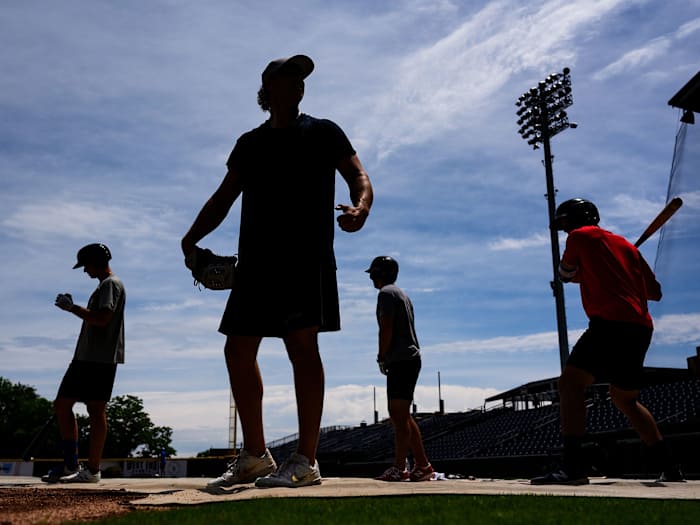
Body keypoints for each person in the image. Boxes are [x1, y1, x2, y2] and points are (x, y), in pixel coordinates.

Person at [181, 54, 373, 489]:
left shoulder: (323, 131)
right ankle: (256, 455)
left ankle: (306, 459)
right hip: (257, 260)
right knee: (237, 349)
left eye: (302, 80)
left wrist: (361, 206)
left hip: (306, 256)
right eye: (290, 78)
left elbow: (359, 175)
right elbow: (223, 197)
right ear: (269, 88)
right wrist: (190, 238)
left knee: (301, 347)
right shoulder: (250, 143)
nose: (299, 85)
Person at [531, 198, 683, 485]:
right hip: (639, 328)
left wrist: (589, 275)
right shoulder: (626, 246)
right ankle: (670, 467)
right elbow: (654, 292)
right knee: (624, 398)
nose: (565, 232)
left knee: (571, 384)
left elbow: (565, 274)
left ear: (574, 220)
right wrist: (621, 272)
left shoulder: (580, 236)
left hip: (609, 323)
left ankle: (573, 468)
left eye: (564, 224)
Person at [42, 243, 126, 483]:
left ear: (96, 261)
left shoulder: (110, 284)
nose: (84, 271)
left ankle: (83, 468)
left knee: (72, 406)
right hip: (95, 358)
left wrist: (72, 308)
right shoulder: (107, 285)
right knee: (76, 407)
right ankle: (83, 468)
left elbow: (102, 319)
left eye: (85, 265)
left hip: (94, 359)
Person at [366, 256, 434, 482]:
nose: (372, 278)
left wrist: (381, 356)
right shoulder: (400, 293)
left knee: (397, 415)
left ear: (380, 274)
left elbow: (386, 327)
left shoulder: (386, 294)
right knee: (401, 414)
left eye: (373, 274)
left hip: (401, 359)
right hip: (409, 359)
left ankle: (400, 467)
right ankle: (423, 465)